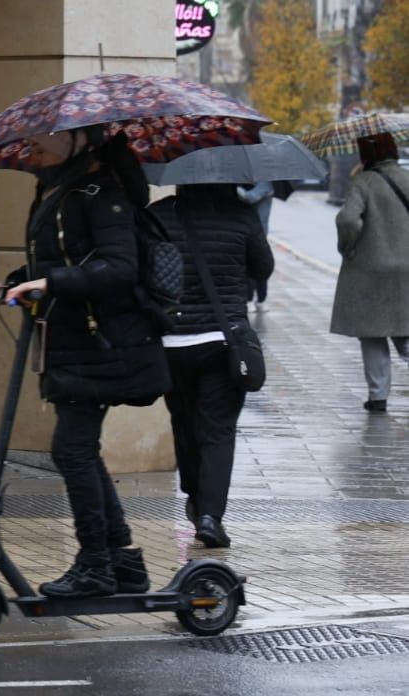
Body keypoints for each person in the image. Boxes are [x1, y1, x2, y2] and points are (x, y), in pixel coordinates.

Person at [0, 128, 169, 597]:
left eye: (43, 144)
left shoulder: (101, 194)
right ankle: (121, 561)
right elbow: (54, 260)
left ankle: (96, 566)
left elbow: (118, 267)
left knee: (72, 450)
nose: (32, 152)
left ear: (77, 145)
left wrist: (50, 285)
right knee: (78, 451)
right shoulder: (57, 191)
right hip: (74, 343)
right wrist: (13, 282)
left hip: (102, 346)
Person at [147, 184, 274, 548]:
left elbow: (145, 269)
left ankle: (195, 496)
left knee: (184, 424)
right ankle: (210, 516)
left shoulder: (160, 214)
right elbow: (263, 268)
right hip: (223, 340)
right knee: (217, 430)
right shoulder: (241, 214)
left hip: (171, 340)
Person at [331, 132, 409, 414]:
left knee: (373, 334)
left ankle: (378, 396)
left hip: (371, 270)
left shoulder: (363, 182)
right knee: (405, 331)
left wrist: (347, 247)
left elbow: (349, 219)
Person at [237, 180, 274, 312]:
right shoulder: (249, 182)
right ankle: (251, 299)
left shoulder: (266, 183)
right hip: (247, 229)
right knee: (248, 265)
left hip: (260, 232)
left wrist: (235, 189)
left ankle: (260, 300)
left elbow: (250, 197)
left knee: (260, 265)